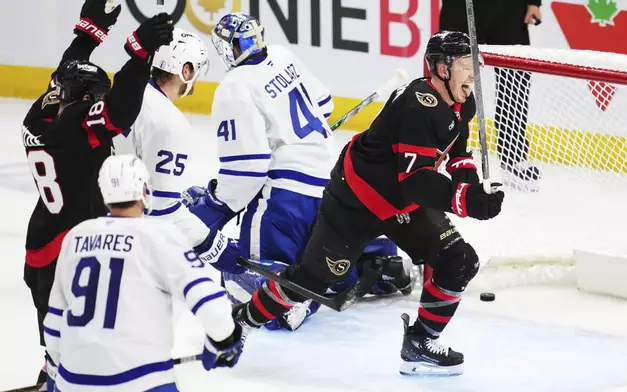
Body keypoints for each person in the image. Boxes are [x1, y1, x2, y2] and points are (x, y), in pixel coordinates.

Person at [232, 31, 505, 376]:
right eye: (467, 66)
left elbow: (459, 154)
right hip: (356, 200)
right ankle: (242, 320)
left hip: (401, 203)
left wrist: (472, 189)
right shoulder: (419, 104)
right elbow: (417, 181)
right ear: (441, 67)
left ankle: (420, 343)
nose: (473, 76)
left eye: (475, 67)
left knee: (458, 259)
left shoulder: (462, 101)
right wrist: (467, 202)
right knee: (311, 281)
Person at [182, 12, 410, 331]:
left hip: (288, 198)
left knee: (238, 278)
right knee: (322, 252)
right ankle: (377, 262)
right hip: (336, 180)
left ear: (227, 49)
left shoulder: (234, 87)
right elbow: (325, 104)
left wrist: (214, 204)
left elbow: (247, 170)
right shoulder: (282, 55)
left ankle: (297, 302)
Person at [21, 0, 173, 387]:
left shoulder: (44, 111)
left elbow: (67, 72)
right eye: (93, 93)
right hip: (71, 246)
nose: (97, 98)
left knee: (56, 324)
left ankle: (52, 369)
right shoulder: (73, 126)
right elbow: (119, 111)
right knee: (84, 325)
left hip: (42, 241)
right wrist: (139, 57)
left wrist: (89, 31)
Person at [42, 154, 244, 392]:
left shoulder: (76, 237)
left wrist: (55, 374)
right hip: (141, 381)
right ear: (145, 192)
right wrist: (224, 341)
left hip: (73, 382)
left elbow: (54, 320)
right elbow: (211, 304)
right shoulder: (161, 236)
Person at [112, 27, 244, 276]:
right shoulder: (169, 123)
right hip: (133, 248)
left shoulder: (124, 96)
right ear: (186, 70)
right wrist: (213, 245)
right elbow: (161, 211)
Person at [436, 0, 542, 190]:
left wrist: (534, 3)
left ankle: (513, 159)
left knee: (514, 78)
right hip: (460, 5)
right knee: (450, 76)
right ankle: (438, 154)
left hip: (507, 8)